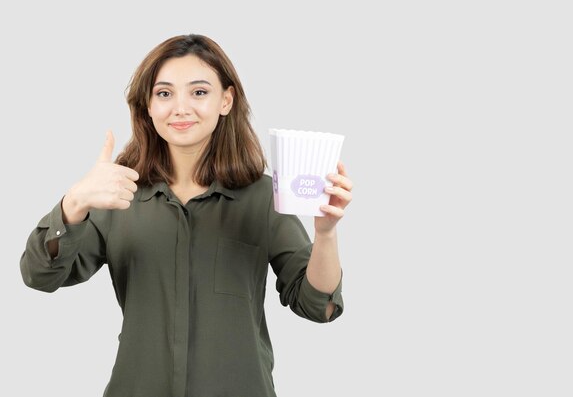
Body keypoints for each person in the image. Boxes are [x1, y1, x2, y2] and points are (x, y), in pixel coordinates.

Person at [20, 34, 353, 397]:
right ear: (147, 105)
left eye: (198, 92)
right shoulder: (116, 194)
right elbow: (40, 276)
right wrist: (75, 202)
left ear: (226, 100)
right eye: (164, 93)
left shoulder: (263, 196)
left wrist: (326, 234)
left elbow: (318, 306)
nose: (180, 108)